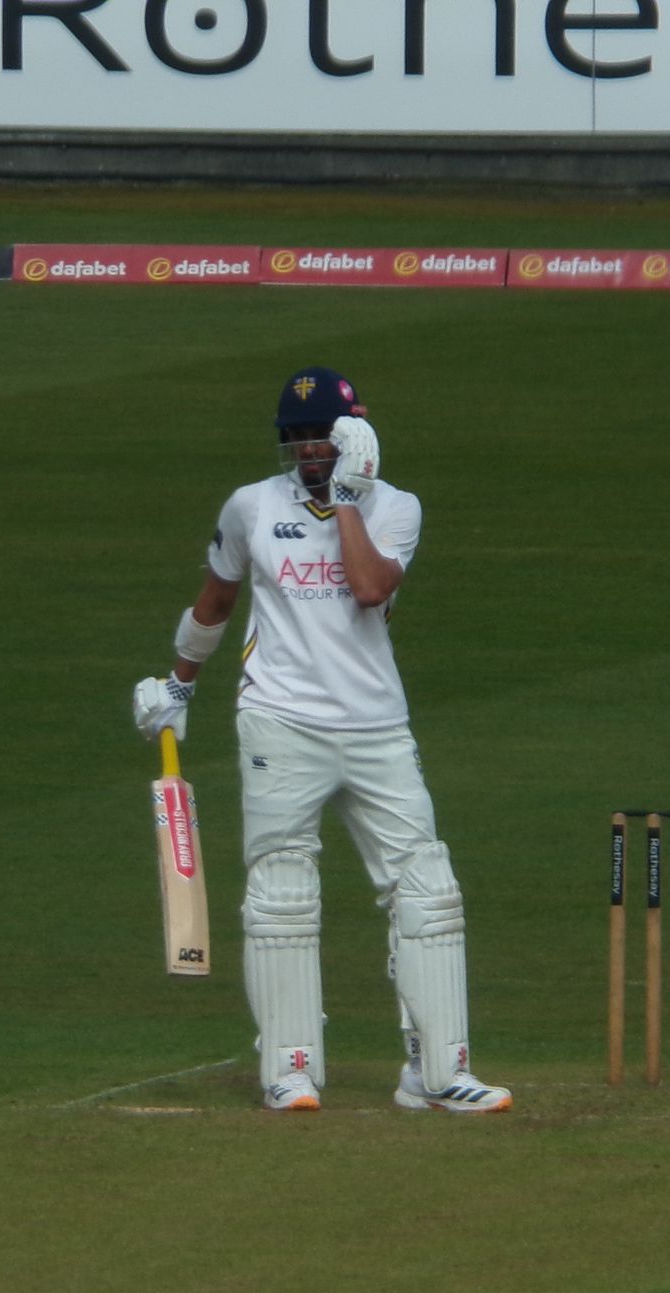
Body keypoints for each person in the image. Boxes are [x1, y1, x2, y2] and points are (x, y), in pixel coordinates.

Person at [133, 366, 512, 1115]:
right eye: (297, 437)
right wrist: (178, 685)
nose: (309, 449)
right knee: (281, 892)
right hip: (280, 721)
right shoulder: (251, 506)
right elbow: (216, 598)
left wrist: (345, 503)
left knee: (427, 889)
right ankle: (290, 1069)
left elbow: (370, 588)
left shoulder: (396, 507)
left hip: (376, 725)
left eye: (321, 436)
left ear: (354, 437)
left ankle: (437, 1073)